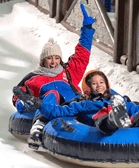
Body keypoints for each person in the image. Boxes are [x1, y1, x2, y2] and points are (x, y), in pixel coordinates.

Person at [13, 70, 139, 149]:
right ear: (87, 89)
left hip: (130, 117)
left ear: (107, 85)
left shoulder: (116, 99)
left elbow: (138, 107)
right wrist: (36, 103)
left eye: (102, 83)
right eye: (94, 84)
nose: (99, 86)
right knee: (103, 118)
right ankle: (116, 119)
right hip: (102, 119)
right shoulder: (83, 104)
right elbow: (57, 112)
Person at [12, 0, 96, 146]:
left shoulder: (68, 72)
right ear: (43, 60)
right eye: (49, 58)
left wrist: (87, 27)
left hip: (73, 105)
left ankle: (106, 122)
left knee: (91, 98)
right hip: (51, 108)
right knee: (53, 94)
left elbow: (82, 54)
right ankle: (38, 128)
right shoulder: (34, 78)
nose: (53, 62)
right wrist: (22, 103)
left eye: (57, 58)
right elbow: (19, 94)